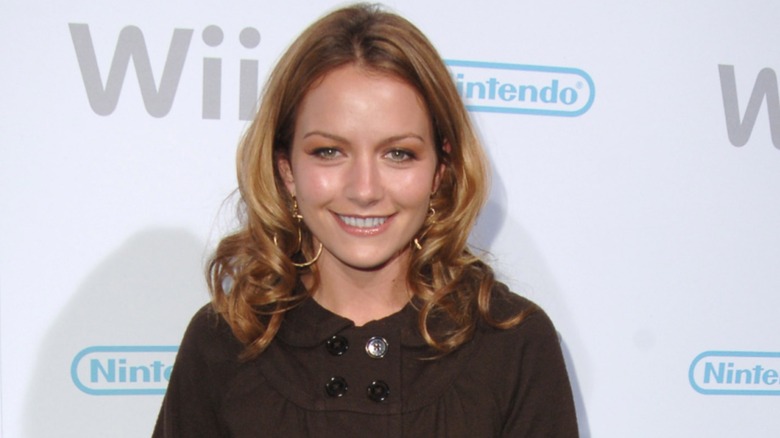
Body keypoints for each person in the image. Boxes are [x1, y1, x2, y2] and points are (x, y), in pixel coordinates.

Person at [153, 3, 578, 437]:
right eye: (329, 151)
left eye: (398, 153)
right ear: (286, 170)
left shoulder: (512, 346)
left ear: (440, 170)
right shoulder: (225, 343)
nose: (365, 189)